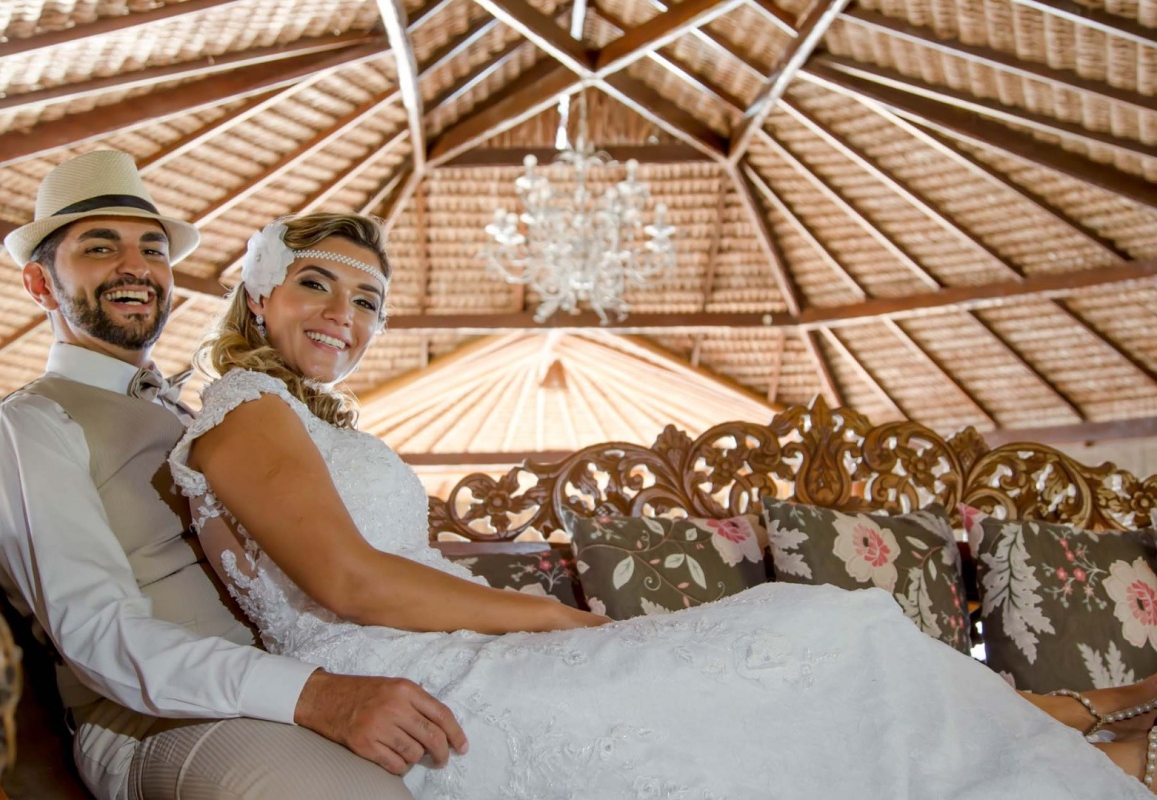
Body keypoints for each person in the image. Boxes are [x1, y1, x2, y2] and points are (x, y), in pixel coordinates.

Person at [170, 210, 1157, 798]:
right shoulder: (243, 406)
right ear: (259, 296)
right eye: (315, 282)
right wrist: (557, 618)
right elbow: (351, 579)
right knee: (820, 631)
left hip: (450, 644)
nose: (346, 313)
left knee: (828, 633)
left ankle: (1041, 723)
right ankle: (1053, 721)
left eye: (370, 298)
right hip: (410, 670)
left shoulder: (311, 423)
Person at [0, 151, 466, 800]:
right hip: (160, 721)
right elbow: (100, 635)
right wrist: (312, 694)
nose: (136, 265)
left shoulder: (192, 414)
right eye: (100, 247)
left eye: (153, 249)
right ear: (39, 284)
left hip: (292, 677)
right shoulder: (28, 425)